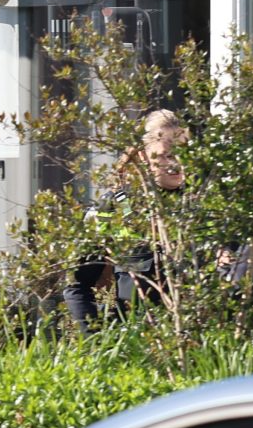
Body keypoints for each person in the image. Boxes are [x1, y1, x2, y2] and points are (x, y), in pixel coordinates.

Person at [63, 109, 186, 327]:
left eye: (182, 153)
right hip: (138, 334)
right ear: (143, 156)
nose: (176, 163)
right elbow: (77, 285)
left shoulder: (208, 205)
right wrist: (92, 338)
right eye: (166, 155)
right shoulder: (114, 207)